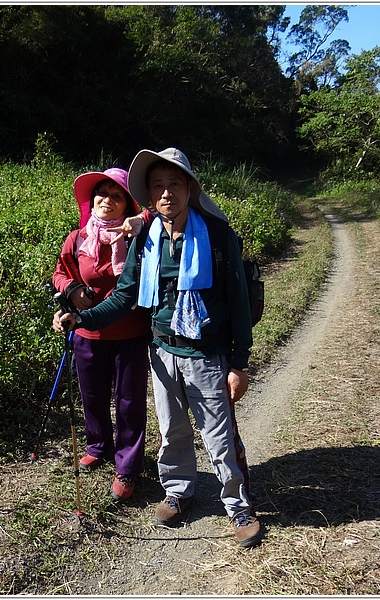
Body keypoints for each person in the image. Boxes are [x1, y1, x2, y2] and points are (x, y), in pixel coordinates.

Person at [56, 148, 262, 547]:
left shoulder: (218, 235)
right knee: (172, 432)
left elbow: (237, 301)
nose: (167, 193)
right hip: (162, 350)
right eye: (158, 186)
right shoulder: (146, 237)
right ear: (150, 197)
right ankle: (179, 491)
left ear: (190, 188)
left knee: (217, 436)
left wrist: (239, 363)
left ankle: (238, 506)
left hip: (206, 353)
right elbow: (125, 295)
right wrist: (83, 318)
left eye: (175, 184)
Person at [52, 167, 150, 502]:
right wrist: (73, 288)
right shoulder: (79, 237)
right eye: (102, 193)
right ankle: (98, 445)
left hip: (130, 334)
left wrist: (143, 218)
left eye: (117, 195)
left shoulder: (139, 236)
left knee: (128, 403)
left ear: (128, 205)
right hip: (87, 335)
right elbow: (59, 273)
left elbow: (161, 209)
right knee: (91, 396)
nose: (107, 200)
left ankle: (128, 466)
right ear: (91, 200)